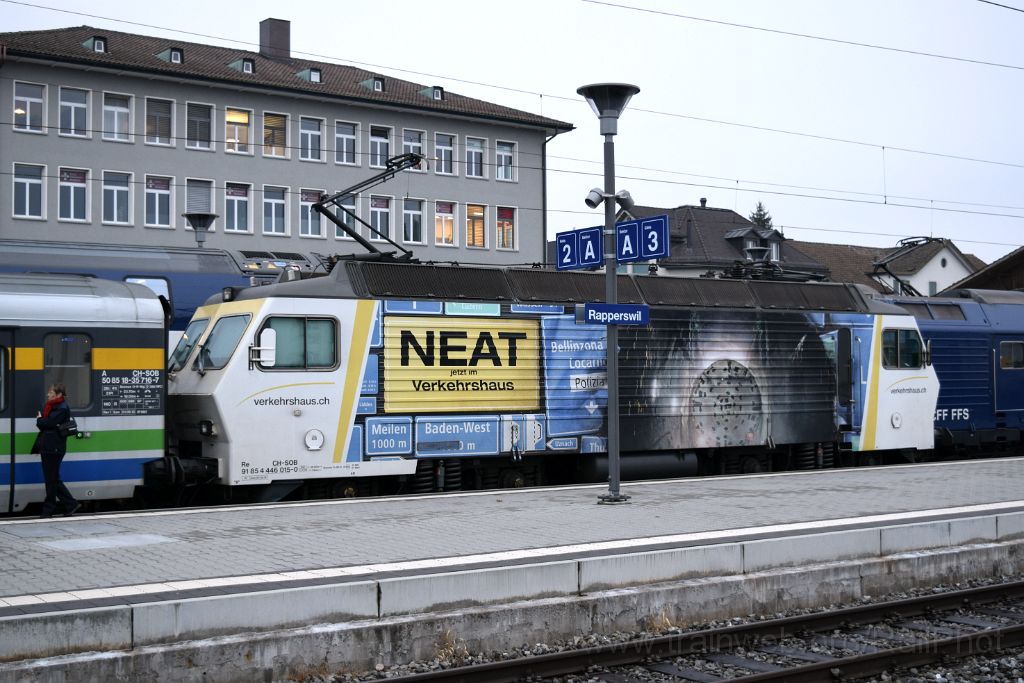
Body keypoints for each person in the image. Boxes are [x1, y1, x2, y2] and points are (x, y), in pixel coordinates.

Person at [34, 383, 79, 518]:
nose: (48, 394)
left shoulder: (61, 408)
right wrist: (43, 421)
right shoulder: (53, 407)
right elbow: (47, 425)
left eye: (51, 392)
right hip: (49, 447)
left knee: (51, 480)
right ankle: (70, 504)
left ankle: (49, 509)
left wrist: (40, 419)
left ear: (58, 394)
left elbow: (47, 424)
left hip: (54, 448)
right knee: (52, 479)